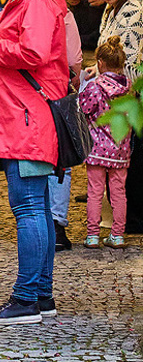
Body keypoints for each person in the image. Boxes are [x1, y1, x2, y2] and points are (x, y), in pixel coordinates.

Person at [0, 0, 67, 325]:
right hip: (22, 118)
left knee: (29, 208)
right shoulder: (31, 1)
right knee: (37, 208)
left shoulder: (36, 3)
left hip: (26, 121)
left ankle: (27, 298)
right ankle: (41, 294)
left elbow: (33, 52)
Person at [88, 0, 143, 234]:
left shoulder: (134, 10)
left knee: (131, 162)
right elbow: (107, 49)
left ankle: (132, 219)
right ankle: (123, 218)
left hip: (130, 95)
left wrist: (101, 75)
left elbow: (128, 62)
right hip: (114, 90)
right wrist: (95, 68)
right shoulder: (112, 6)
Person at [80, 36, 131, 249]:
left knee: (95, 192)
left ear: (100, 63)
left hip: (97, 150)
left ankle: (93, 235)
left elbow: (84, 109)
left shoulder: (95, 88)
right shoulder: (129, 88)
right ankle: (117, 235)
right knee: (119, 193)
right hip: (121, 150)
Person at [45, 0, 84, 252]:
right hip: (60, 93)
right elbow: (74, 60)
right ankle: (56, 223)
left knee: (42, 159)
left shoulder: (35, 13)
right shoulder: (66, 15)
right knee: (62, 160)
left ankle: (41, 217)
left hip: (36, 94)